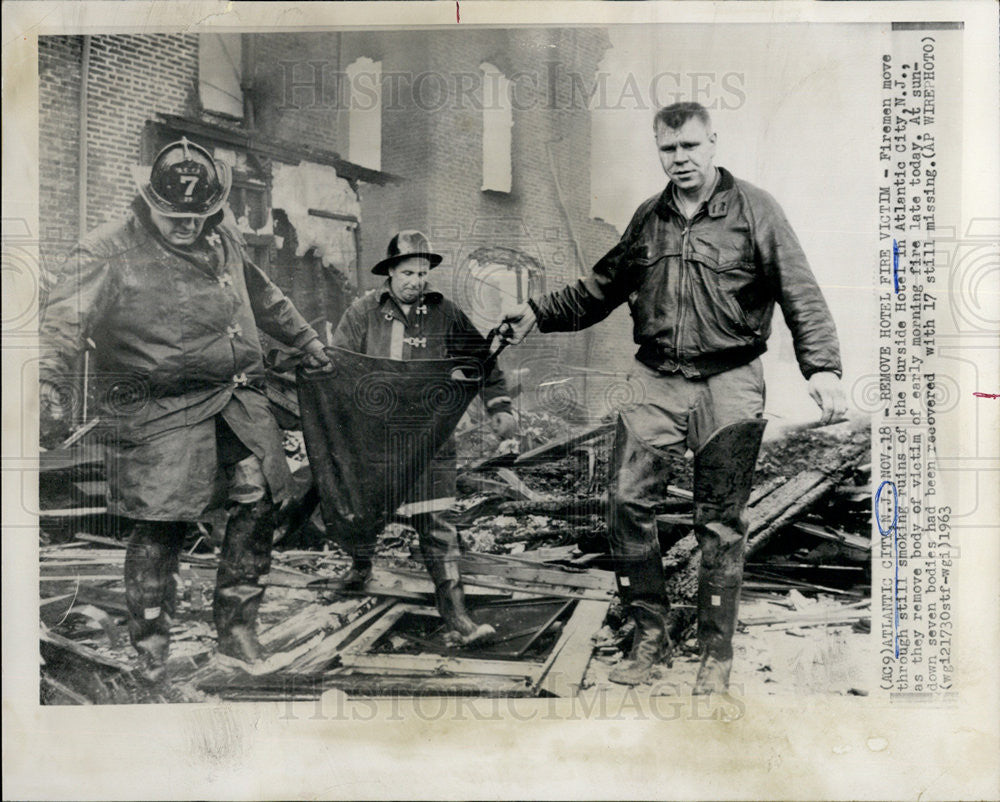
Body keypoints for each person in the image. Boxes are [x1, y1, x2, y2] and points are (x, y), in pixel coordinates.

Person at [502, 102, 847, 693]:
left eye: (690, 146)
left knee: (720, 519)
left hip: (730, 377)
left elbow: (800, 291)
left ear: (713, 142)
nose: (680, 160)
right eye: (668, 150)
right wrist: (537, 311)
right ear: (658, 150)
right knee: (625, 500)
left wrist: (824, 368)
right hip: (657, 377)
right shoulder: (649, 218)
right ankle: (648, 638)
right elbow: (600, 288)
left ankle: (716, 653)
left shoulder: (756, 211)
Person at [40, 138, 331, 680]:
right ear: (147, 201)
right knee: (162, 524)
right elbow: (62, 324)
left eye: (197, 215)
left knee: (257, 500)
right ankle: (150, 648)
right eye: (173, 215)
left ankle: (238, 634)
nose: (186, 225)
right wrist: (47, 385)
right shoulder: (105, 250)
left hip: (236, 398)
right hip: (159, 411)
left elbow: (264, 295)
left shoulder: (223, 236)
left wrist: (309, 341)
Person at [330, 230, 516, 646]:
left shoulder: (444, 313)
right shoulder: (363, 311)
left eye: (423, 272)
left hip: (430, 435)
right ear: (390, 272)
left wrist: (498, 404)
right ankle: (359, 570)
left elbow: (479, 358)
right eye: (408, 272)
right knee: (364, 512)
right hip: (375, 437)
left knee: (437, 524)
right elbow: (338, 364)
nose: (417, 280)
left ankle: (456, 615)